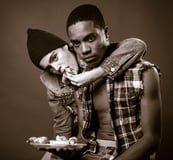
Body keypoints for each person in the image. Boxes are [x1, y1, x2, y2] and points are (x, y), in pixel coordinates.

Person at [27, 28, 147, 160]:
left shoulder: (90, 54)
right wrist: (61, 145)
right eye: (49, 68)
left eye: (55, 57)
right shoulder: (55, 85)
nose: (57, 68)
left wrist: (94, 74)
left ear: (68, 47)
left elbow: (137, 45)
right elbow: (63, 127)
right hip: (83, 144)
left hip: (115, 142)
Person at [65, 4, 162, 160]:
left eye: (90, 38)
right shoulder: (81, 80)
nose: (84, 50)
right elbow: (84, 137)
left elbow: (151, 140)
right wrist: (68, 149)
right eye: (77, 43)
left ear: (106, 34)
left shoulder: (144, 73)